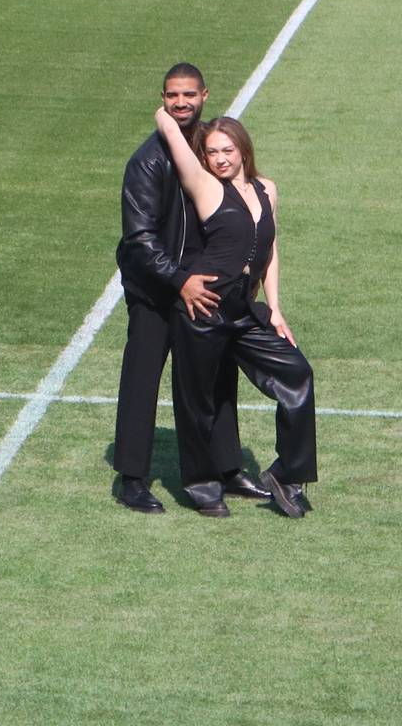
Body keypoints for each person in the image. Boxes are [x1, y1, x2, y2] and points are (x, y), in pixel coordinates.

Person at [152, 105, 315, 518]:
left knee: (297, 374)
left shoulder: (267, 189)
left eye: (227, 150)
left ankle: (287, 473)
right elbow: (169, 131)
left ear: (243, 150)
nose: (220, 158)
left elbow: (271, 249)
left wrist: (275, 308)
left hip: (244, 311)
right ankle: (203, 485)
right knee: (199, 401)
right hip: (203, 309)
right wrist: (170, 108)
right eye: (212, 152)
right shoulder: (205, 186)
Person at [109, 63, 251, 514]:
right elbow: (139, 238)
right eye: (173, 96)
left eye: (189, 94)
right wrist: (179, 279)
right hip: (158, 290)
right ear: (164, 99)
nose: (182, 103)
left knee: (216, 376)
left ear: (205, 95)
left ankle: (227, 468)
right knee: (142, 377)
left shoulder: (210, 148)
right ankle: (131, 478)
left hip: (203, 287)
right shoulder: (147, 161)